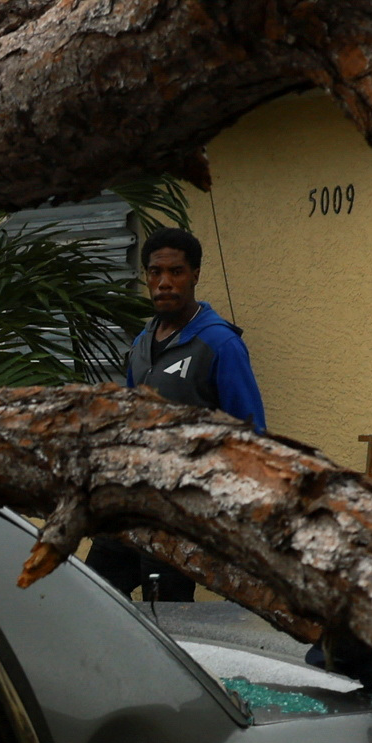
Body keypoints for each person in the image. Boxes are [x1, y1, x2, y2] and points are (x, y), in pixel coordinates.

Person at [97, 228, 263, 602]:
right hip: (131, 507)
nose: (164, 283)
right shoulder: (142, 344)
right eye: (155, 273)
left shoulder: (221, 344)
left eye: (176, 272)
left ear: (195, 275)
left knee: (168, 617)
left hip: (180, 518)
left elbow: (251, 435)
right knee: (94, 600)